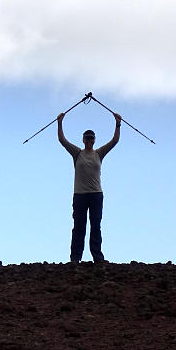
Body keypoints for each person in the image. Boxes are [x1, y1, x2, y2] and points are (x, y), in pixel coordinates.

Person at [57, 110, 121, 263]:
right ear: (83, 140)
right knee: (79, 227)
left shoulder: (99, 153)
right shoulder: (77, 153)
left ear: (94, 140)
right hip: (79, 195)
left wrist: (118, 124)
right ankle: (75, 258)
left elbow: (114, 141)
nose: (89, 140)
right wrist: (60, 123)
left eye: (91, 138)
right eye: (87, 138)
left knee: (96, 226)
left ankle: (97, 258)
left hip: (96, 195)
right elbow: (62, 140)